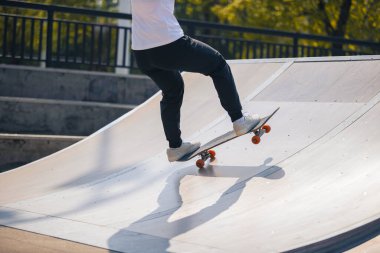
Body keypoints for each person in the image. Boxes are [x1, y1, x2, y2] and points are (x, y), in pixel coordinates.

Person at [131, 0, 260, 162]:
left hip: (141, 52)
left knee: (173, 89)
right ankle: (239, 120)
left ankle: (176, 147)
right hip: (168, 44)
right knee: (218, 65)